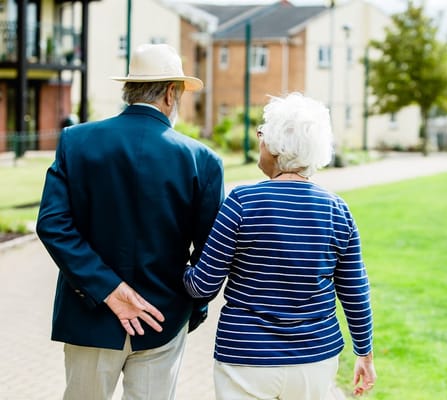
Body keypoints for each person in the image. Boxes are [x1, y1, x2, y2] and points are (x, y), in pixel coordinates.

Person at [36, 43, 225, 400]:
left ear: (129, 89)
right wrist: (191, 309)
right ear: (172, 93)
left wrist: (106, 287)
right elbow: (210, 253)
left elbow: (52, 224)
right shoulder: (202, 160)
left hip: (89, 315)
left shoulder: (76, 141)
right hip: (162, 317)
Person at [183, 92, 376, 399]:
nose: (259, 142)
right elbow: (355, 290)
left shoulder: (242, 203)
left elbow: (203, 286)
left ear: (274, 146)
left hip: (246, 357)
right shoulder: (337, 210)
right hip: (314, 359)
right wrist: (364, 354)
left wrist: (177, 262)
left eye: (262, 135)